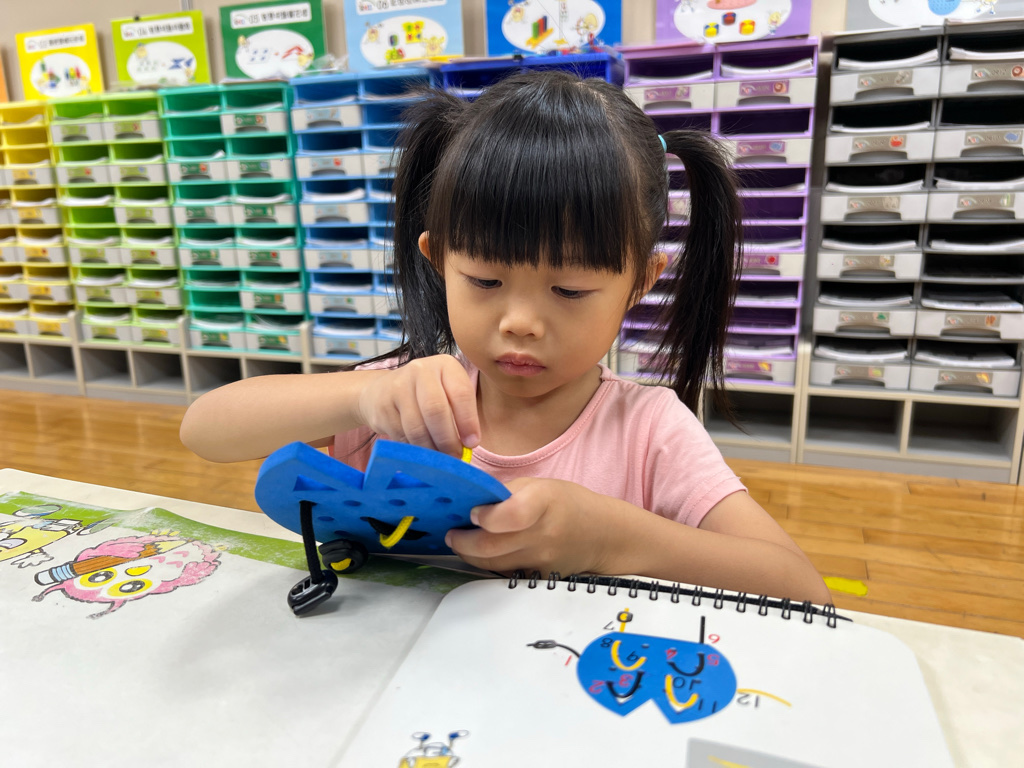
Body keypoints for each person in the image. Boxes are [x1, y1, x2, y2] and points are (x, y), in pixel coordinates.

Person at [180, 70, 831, 605]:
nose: (520, 321)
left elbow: (802, 590)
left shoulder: (648, 431)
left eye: (568, 290)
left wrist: (611, 539)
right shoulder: (401, 398)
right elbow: (204, 431)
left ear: (639, 282)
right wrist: (359, 398)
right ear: (439, 261)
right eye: (486, 280)